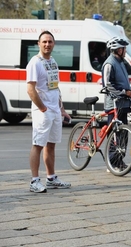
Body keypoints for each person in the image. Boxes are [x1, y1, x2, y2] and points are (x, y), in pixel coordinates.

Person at [26, 31, 71, 193]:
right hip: (42, 111)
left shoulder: (52, 62)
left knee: (51, 145)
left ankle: (51, 178)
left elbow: (55, 87)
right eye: (44, 42)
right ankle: (34, 181)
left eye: (50, 42)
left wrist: (62, 109)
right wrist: (43, 108)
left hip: (55, 110)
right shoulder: (34, 62)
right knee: (38, 144)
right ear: (38, 44)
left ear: (54, 44)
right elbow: (30, 89)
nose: (47, 44)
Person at [102, 37, 131, 171]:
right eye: (124, 48)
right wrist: (123, 92)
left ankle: (119, 161)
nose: (125, 51)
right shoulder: (109, 63)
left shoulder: (121, 62)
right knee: (114, 135)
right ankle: (112, 162)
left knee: (123, 135)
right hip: (114, 104)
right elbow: (107, 85)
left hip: (123, 104)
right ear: (118, 50)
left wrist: (130, 99)